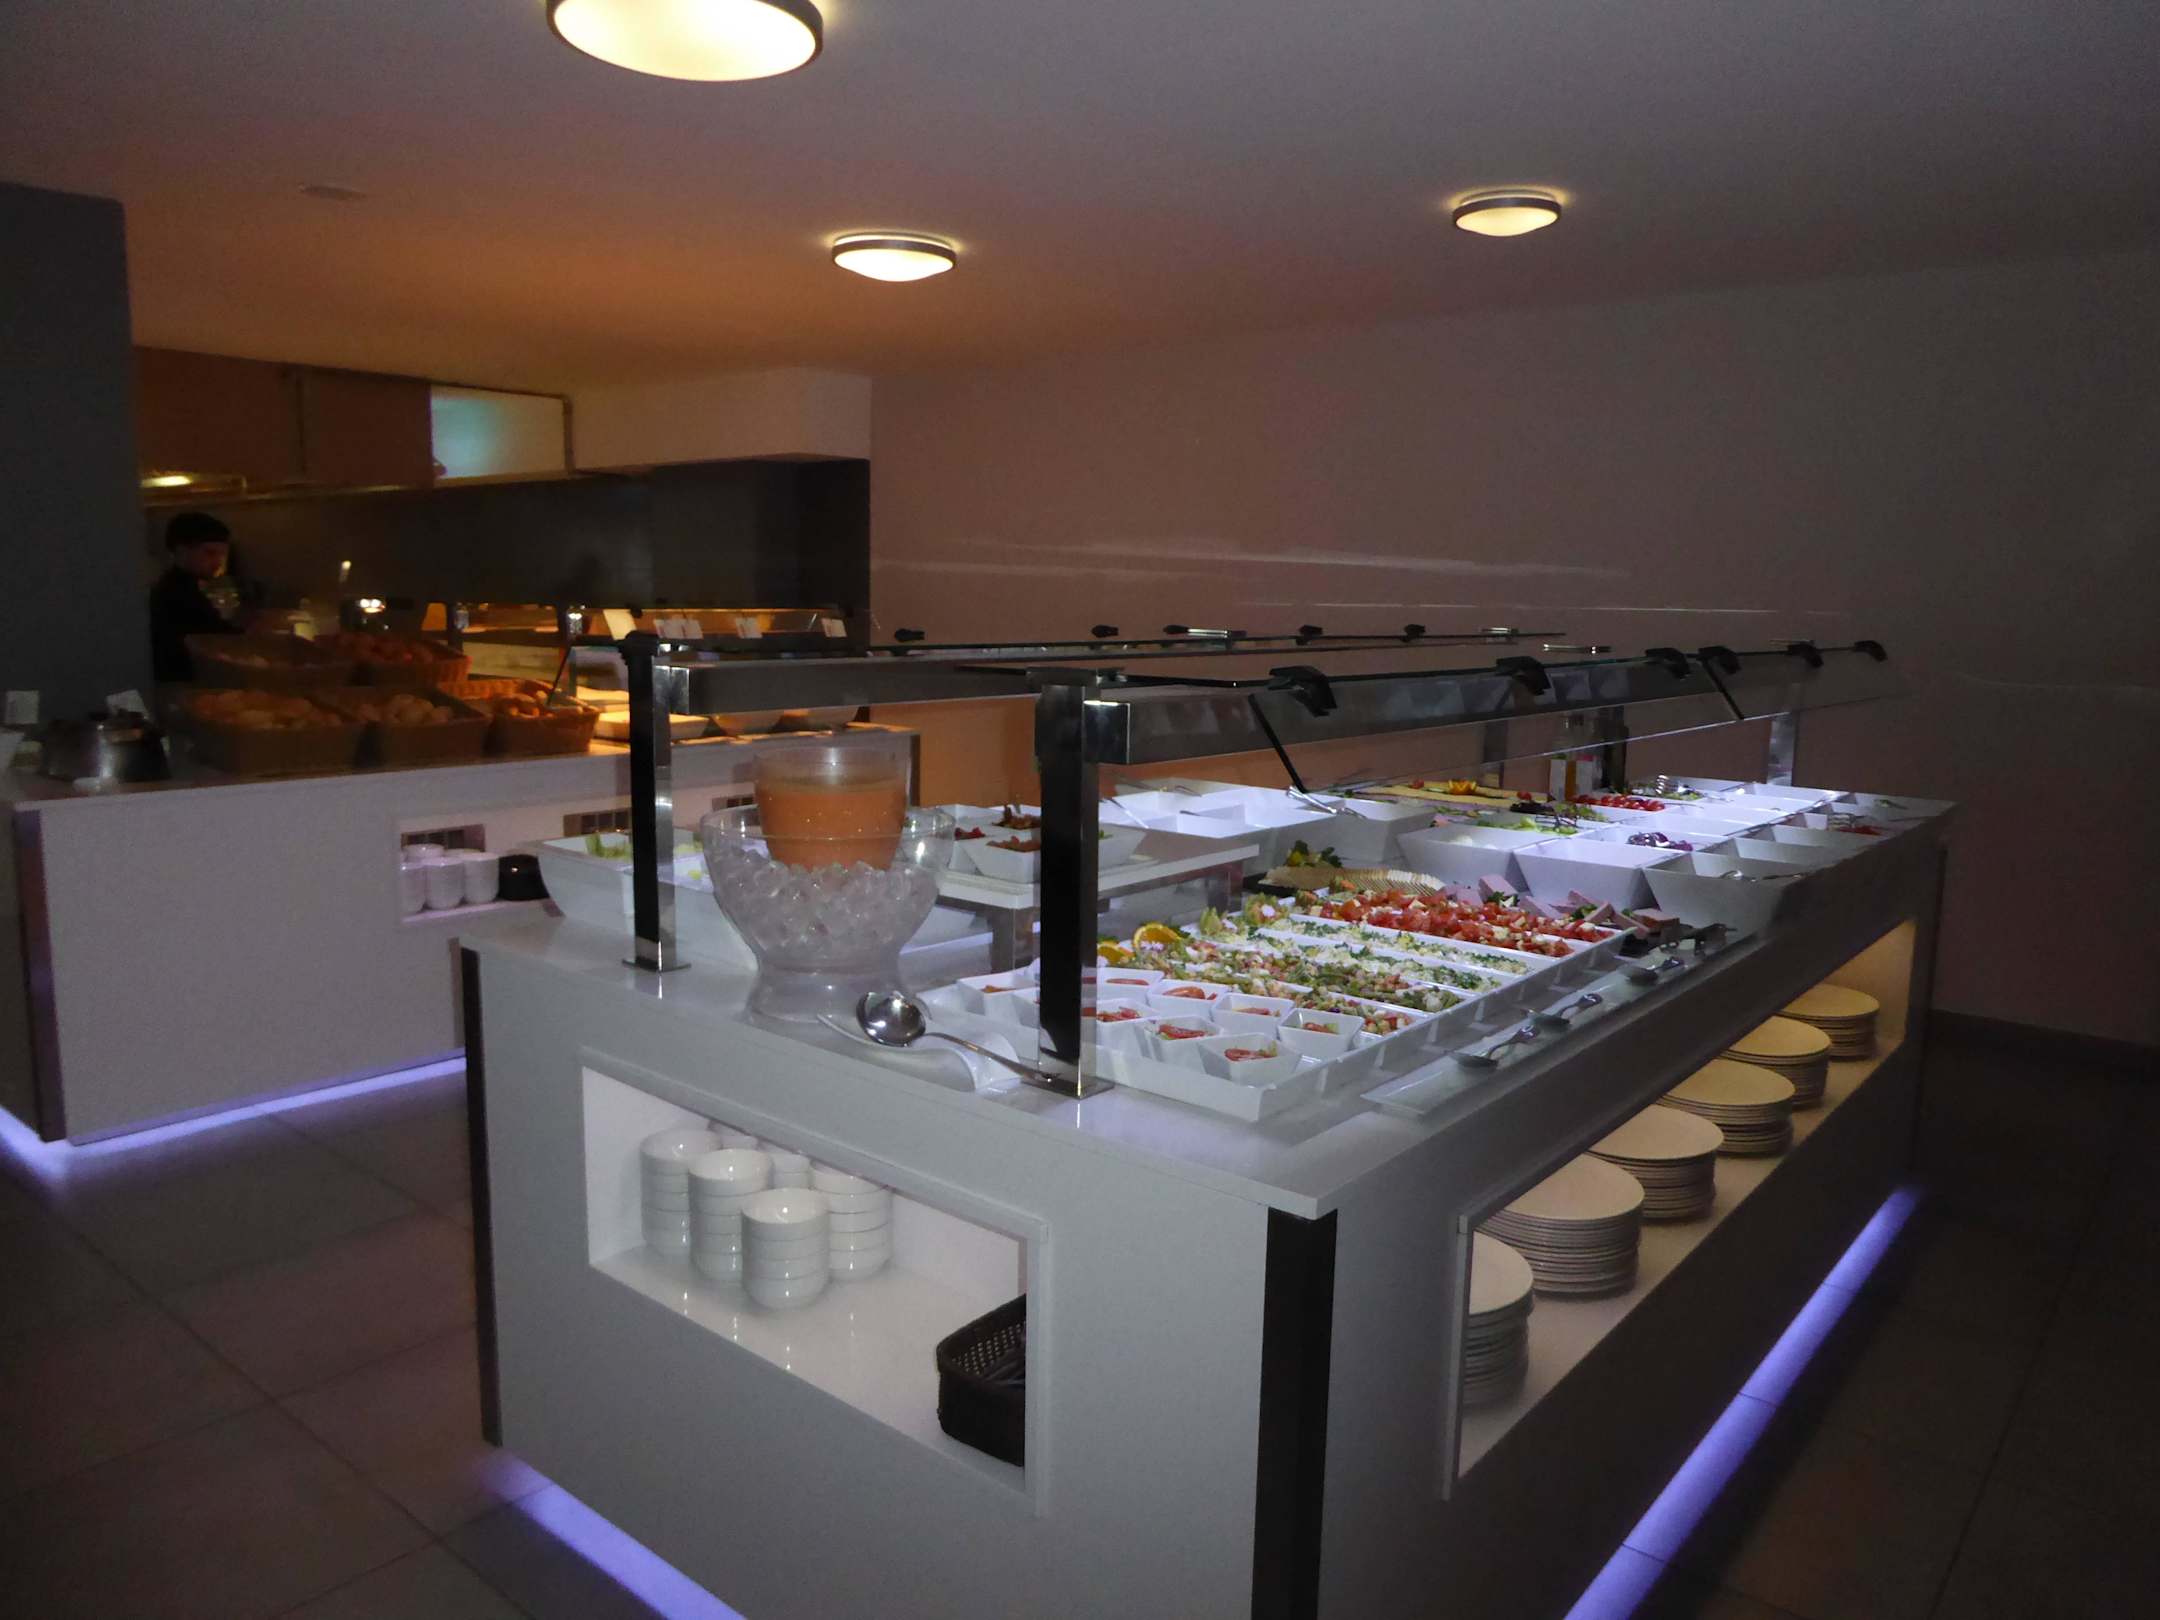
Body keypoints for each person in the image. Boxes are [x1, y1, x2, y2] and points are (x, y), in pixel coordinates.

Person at [148, 511, 243, 681]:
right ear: (181, 551)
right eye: (210, 553)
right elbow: (219, 638)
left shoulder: (181, 587)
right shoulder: (177, 593)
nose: (218, 562)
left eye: (222, 554)